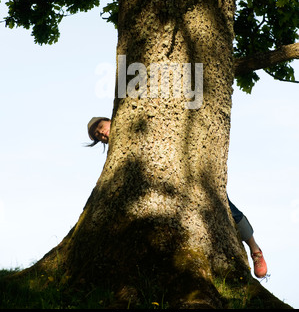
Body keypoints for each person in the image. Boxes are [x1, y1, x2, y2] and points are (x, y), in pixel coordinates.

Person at [87, 116, 268, 279]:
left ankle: (255, 250)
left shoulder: (138, 122)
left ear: (111, 118)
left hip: (187, 170)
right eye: (98, 135)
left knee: (226, 207)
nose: (102, 132)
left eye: (102, 126)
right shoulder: (116, 157)